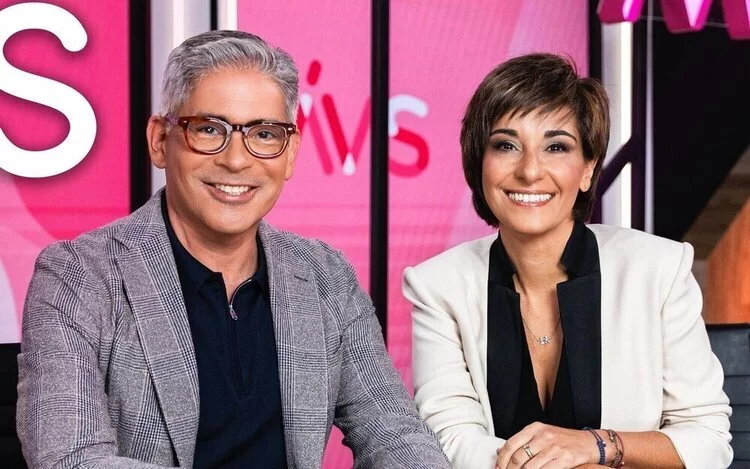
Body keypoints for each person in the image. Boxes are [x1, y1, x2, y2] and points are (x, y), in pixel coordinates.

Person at [17, 30, 449, 469]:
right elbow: (70, 459)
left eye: (264, 134)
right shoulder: (78, 277)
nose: (237, 160)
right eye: (209, 130)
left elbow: (395, 433)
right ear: (160, 140)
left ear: (290, 153)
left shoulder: (325, 275)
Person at [402, 53, 732, 469]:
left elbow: (707, 440)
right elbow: (449, 440)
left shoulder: (659, 269)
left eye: (556, 147)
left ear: (588, 169)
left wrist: (597, 446)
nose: (530, 171)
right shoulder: (438, 286)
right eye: (506, 145)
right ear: (478, 163)